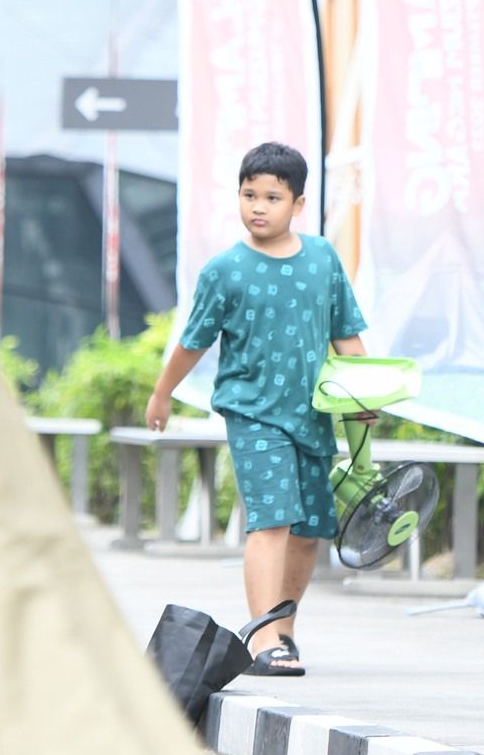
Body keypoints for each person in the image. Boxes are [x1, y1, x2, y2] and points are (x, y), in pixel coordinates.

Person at [144, 142, 368, 676]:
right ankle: (263, 636)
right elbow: (193, 341)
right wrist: (162, 392)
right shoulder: (226, 270)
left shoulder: (322, 259)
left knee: (309, 528)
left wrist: (366, 396)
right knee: (272, 521)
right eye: (249, 195)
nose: (259, 206)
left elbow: (348, 337)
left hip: (313, 414)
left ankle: (284, 633)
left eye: (272, 196)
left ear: (299, 203)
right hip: (252, 414)